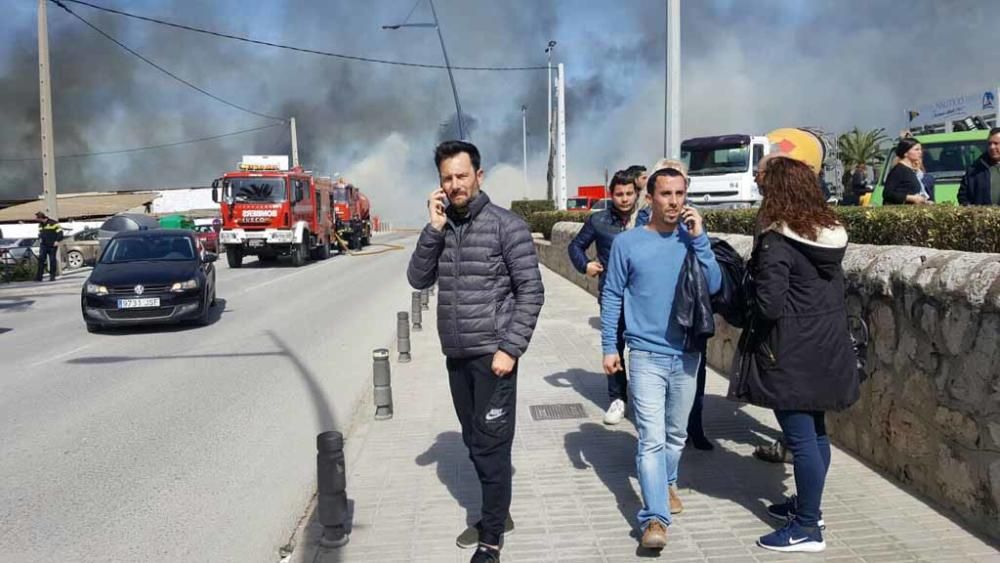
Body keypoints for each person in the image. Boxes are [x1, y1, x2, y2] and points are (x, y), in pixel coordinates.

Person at [407, 140, 545, 563]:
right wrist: (432, 229)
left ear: (478, 176)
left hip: (494, 358)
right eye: (447, 178)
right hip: (458, 357)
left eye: (461, 176)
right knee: (474, 442)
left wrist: (510, 349)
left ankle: (490, 539)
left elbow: (532, 292)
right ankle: (496, 513)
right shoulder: (442, 227)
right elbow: (417, 279)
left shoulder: (508, 226)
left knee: (490, 444)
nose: (454, 185)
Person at [733, 156, 859, 553]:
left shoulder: (777, 240)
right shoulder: (826, 235)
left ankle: (807, 527)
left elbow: (769, 305)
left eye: (763, 183)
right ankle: (809, 507)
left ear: (778, 189)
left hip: (789, 350)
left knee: (801, 439)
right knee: (816, 432)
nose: (759, 188)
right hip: (827, 346)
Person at [601, 167, 722, 550]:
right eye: (666, 194)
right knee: (650, 439)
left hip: (687, 354)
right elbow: (612, 297)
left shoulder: (693, 241)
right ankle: (655, 518)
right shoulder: (628, 244)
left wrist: (700, 240)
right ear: (649, 197)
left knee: (675, 435)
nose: (674, 201)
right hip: (646, 355)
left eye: (680, 194)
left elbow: (716, 284)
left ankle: (668, 482)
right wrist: (609, 346)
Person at [567, 170, 640, 425]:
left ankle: (643, 398)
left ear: (637, 193)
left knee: (641, 349)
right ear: (612, 195)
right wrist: (585, 265)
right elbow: (574, 246)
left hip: (643, 298)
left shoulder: (646, 220)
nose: (625, 199)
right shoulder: (598, 221)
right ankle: (618, 399)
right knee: (615, 347)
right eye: (619, 194)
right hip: (612, 295)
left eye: (629, 193)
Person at [957, 127, 1000, 205]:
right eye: (989, 144)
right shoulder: (975, 169)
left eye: (996, 143)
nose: (992, 147)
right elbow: (963, 196)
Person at [883, 138, 932, 205]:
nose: (920, 152)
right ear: (905, 153)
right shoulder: (898, 171)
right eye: (916, 149)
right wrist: (911, 198)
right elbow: (887, 194)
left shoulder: (910, 170)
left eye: (920, 149)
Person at [34, 211, 63, 282]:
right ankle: (39, 277)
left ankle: (52, 276)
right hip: (43, 245)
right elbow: (40, 233)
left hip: (52, 245)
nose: (37, 220)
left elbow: (60, 233)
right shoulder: (40, 225)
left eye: (38, 219)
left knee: (52, 260)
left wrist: (57, 241)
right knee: (41, 260)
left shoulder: (54, 223)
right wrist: (40, 238)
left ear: (41, 218)